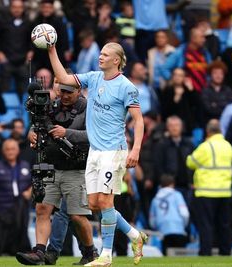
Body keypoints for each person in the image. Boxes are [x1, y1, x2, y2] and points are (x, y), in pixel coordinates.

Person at [45, 42, 147, 266]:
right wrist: (52, 50)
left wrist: (136, 149)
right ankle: (135, 236)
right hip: (95, 152)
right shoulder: (93, 77)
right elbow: (63, 77)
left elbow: (139, 121)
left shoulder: (126, 87)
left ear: (116, 60)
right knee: (94, 204)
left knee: (105, 200)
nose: (100, 57)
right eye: (100, 53)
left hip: (114, 151)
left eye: (105, 54)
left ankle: (106, 256)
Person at [16, 83, 95, 265]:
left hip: (76, 169)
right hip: (50, 165)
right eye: (62, 91)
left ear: (79, 90)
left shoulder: (90, 108)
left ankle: (90, 253)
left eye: (69, 92)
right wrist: (32, 133)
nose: (65, 95)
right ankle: (39, 251)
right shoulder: (51, 106)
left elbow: (95, 135)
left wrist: (67, 132)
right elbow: (38, 125)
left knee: (77, 216)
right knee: (42, 209)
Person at [186, 119, 232, 256]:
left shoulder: (205, 146)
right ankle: (225, 252)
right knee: (223, 225)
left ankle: (206, 252)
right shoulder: (228, 146)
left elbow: (191, 162)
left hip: (206, 191)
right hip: (225, 191)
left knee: (206, 225)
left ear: (208, 131)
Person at [0, 139, 32, 256]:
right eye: (7, 149)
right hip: (3, 207)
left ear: (17, 150)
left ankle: (22, 256)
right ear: (3, 151)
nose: (10, 152)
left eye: (13, 149)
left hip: (22, 208)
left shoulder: (25, 165)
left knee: (21, 233)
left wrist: (30, 191)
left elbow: (34, 183)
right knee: (1, 237)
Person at [154, 116, 194, 201]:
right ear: (167, 127)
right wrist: (164, 182)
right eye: (171, 125)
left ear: (181, 127)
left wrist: (192, 181)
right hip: (169, 186)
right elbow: (158, 166)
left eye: (176, 125)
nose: (174, 128)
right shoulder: (162, 144)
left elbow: (194, 163)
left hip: (187, 186)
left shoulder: (189, 144)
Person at [149, 174, 189, 256]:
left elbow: (152, 220)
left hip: (163, 232)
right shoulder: (177, 195)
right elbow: (184, 213)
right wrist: (183, 225)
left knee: (167, 256)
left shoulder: (155, 199)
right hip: (178, 229)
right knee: (181, 258)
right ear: (172, 184)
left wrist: (158, 227)